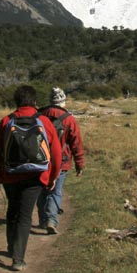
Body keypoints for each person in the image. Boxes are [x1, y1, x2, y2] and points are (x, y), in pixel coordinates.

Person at [0, 84, 61, 272]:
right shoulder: (44, 120)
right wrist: (52, 177)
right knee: (25, 215)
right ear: (35, 102)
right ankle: (18, 259)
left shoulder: (5, 121)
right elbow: (56, 153)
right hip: (35, 176)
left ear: (16, 101)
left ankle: (12, 248)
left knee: (13, 210)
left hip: (10, 175)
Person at [37, 87, 85, 234]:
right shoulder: (68, 118)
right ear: (63, 101)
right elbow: (76, 143)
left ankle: (43, 220)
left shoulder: (39, 115)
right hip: (62, 161)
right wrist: (79, 163)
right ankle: (52, 220)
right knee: (56, 191)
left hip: (41, 160)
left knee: (42, 191)